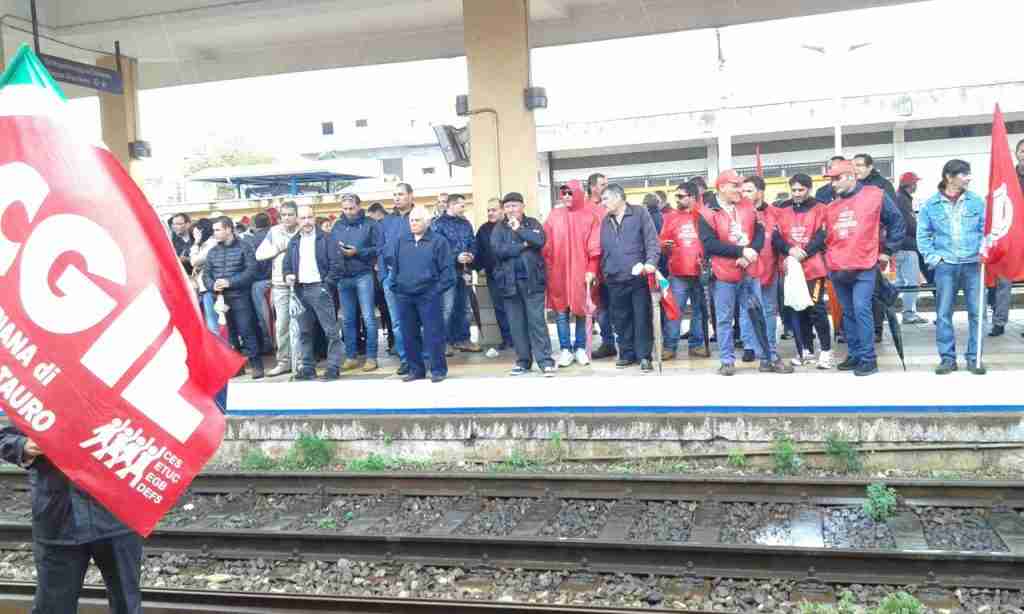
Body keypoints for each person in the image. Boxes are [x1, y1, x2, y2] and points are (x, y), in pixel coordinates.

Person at [0, 427, 143, 613]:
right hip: (59, 516)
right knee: (53, 606)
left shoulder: (129, 398)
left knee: (126, 603)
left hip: (118, 515)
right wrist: (23, 445)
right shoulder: (39, 398)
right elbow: (4, 436)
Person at [821, 160, 906, 377]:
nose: (833, 183)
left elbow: (897, 222)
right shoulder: (831, 207)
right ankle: (856, 354)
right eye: (831, 179)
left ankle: (869, 358)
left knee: (861, 310)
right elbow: (827, 238)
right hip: (839, 267)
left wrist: (888, 250)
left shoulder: (875, 195)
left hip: (864, 265)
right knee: (847, 313)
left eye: (837, 178)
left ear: (851, 176)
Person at [917, 159, 986, 375]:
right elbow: (923, 235)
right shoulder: (930, 204)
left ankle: (975, 358)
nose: (968, 178)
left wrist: (984, 252)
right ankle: (947, 358)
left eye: (968, 174)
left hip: (973, 265)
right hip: (945, 266)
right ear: (949, 177)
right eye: (964, 174)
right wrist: (934, 259)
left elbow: (986, 230)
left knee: (978, 314)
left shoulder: (977, 202)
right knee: (944, 313)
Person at [698, 170, 768, 376]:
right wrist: (740, 251)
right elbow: (710, 244)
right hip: (723, 274)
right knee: (724, 319)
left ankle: (767, 357)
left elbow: (760, 232)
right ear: (722, 188)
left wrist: (750, 252)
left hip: (750, 268)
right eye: (735, 186)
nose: (740, 190)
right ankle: (727, 360)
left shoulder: (747, 206)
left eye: (741, 186)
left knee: (757, 314)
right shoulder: (707, 212)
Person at [491, 192, 556, 376]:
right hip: (509, 283)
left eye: (515, 205)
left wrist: (519, 229)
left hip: (532, 281)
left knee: (537, 322)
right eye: (508, 206)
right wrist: (523, 245)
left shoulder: (532, 223)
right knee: (516, 323)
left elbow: (540, 241)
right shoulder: (498, 228)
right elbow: (499, 251)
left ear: (522, 207)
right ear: (504, 209)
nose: (511, 209)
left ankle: (545, 361)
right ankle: (523, 361)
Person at [384, 206, 451, 383]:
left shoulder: (438, 241)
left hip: (429, 295)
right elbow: (395, 267)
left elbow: (447, 273)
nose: (413, 223)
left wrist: (435, 291)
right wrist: (395, 286)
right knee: (408, 334)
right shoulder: (401, 241)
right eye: (412, 220)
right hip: (405, 295)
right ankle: (416, 370)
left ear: (427, 222)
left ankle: (438, 369)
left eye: (418, 220)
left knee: (433, 333)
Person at [773, 174, 834, 369]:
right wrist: (790, 250)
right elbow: (776, 238)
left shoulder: (821, 209)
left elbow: (822, 235)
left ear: (809, 189)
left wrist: (805, 252)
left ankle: (826, 351)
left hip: (813, 268)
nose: (797, 193)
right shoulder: (783, 210)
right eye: (794, 190)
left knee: (816, 309)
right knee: (797, 310)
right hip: (791, 268)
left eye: (801, 190)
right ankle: (805, 350)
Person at [599, 184, 660, 372]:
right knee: (620, 318)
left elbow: (652, 240)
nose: (603, 203)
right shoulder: (605, 220)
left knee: (641, 316)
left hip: (638, 276)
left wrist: (650, 262)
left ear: (618, 197)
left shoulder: (640, 213)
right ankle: (626, 353)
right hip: (614, 276)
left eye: (605, 199)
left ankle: (644, 356)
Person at [543, 181, 602, 367]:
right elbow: (545, 244)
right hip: (558, 272)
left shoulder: (590, 216)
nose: (567, 196)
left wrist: (592, 270)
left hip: (581, 272)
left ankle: (580, 348)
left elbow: (595, 247)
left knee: (582, 312)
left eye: (570, 193)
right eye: (564, 193)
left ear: (578, 193)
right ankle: (566, 349)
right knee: (561, 312)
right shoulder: (554, 216)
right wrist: (548, 267)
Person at [282, 205, 344, 381]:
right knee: (304, 331)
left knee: (330, 331)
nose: (307, 222)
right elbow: (286, 265)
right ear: (297, 220)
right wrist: (288, 275)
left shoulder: (326, 238)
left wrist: (327, 285)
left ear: (314, 218)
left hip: (320, 289)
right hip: (301, 290)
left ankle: (333, 367)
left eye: (310, 217)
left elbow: (337, 265)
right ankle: (308, 367)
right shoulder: (294, 241)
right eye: (303, 218)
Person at [741, 175, 794, 373]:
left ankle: (769, 348)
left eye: (748, 190)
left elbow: (783, 239)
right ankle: (750, 347)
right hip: (747, 269)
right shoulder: (739, 213)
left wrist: (786, 259)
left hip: (770, 268)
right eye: (742, 191)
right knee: (748, 310)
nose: (744, 194)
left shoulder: (776, 213)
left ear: (760, 192)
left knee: (770, 310)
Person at [204, 216, 265, 378]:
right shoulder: (212, 252)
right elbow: (206, 275)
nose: (214, 233)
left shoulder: (245, 247)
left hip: (240, 296)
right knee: (228, 334)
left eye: (217, 230)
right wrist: (213, 285)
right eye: (214, 230)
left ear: (229, 229)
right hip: (220, 299)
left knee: (246, 330)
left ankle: (256, 365)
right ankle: (236, 367)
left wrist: (229, 282)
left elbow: (251, 271)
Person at [330, 193, 382, 372]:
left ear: (359, 206)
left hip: (363, 275)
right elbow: (331, 246)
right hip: (343, 277)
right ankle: (351, 356)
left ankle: (371, 357)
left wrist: (358, 251)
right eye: (344, 209)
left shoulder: (370, 224)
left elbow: (378, 248)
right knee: (347, 319)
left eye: (351, 208)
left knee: (368, 317)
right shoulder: (337, 225)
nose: (348, 212)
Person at [659, 181, 709, 360]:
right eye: (676, 196)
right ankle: (670, 346)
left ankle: (696, 344)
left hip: (701, 272)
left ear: (693, 197)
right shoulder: (670, 217)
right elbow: (661, 242)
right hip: (678, 273)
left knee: (699, 311)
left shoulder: (705, 215)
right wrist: (664, 245)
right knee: (674, 310)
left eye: (681, 196)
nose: (677, 199)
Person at [432, 193, 482, 354]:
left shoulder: (466, 223)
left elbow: (472, 242)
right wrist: (456, 257)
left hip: (465, 271)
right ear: (451, 205)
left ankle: (463, 339)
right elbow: (437, 250)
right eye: (461, 205)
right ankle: (444, 342)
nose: (464, 208)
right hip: (446, 273)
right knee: (447, 308)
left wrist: (471, 254)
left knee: (465, 307)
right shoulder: (437, 225)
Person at [256, 201, 301, 376]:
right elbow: (259, 255)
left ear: (296, 215)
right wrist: (278, 248)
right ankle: (284, 361)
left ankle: (302, 360)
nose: (287, 218)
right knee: (282, 325)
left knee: (303, 325)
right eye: (284, 215)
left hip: (302, 283)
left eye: (290, 214)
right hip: (280, 285)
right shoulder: (274, 232)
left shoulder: (302, 229)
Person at [378, 183, 417, 375]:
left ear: (410, 195)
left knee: (419, 319)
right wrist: (384, 276)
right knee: (397, 321)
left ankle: (422, 357)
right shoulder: (386, 221)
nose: (397, 198)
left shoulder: (419, 216)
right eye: (394, 195)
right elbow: (380, 249)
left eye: (400, 194)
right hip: (392, 276)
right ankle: (406, 359)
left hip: (415, 276)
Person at [474, 198, 514, 350]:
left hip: (511, 275)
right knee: (499, 308)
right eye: (488, 210)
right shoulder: (483, 230)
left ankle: (519, 339)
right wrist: (478, 267)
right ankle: (507, 339)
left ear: (502, 210)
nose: (490, 213)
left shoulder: (511, 226)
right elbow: (478, 251)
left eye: (494, 210)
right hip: (493, 276)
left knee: (514, 307)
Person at [586, 172, 617, 359]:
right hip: (594, 268)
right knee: (600, 308)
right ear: (592, 187)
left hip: (613, 265)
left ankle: (625, 343)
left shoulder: (611, 207)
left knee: (618, 307)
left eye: (607, 183)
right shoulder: (585, 209)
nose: (606, 186)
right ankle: (608, 342)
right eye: (602, 184)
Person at [894, 172, 928, 325]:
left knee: (901, 281)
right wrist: (922, 235)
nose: (916, 186)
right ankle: (909, 314)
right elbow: (909, 224)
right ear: (910, 184)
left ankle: (882, 306)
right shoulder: (903, 200)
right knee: (912, 282)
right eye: (915, 183)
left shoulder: (898, 197)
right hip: (907, 246)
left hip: (897, 246)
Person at [245, 212, 274, 355]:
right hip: (278, 280)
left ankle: (268, 343)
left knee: (263, 315)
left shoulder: (251, 241)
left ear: (254, 225)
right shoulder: (275, 235)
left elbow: (251, 264)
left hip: (259, 283)